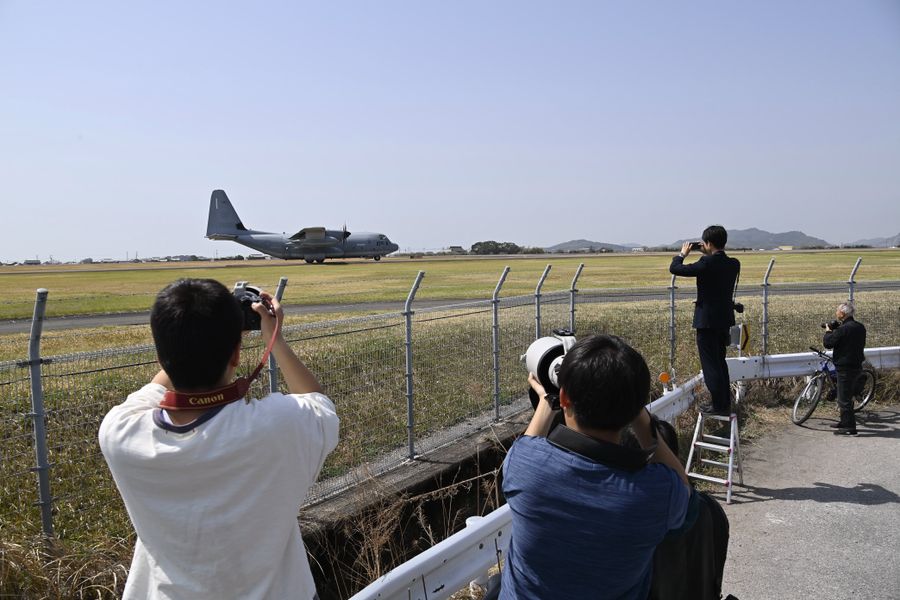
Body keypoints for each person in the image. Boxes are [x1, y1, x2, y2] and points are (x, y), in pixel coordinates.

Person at [99, 279, 339, 600]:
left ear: (160, 357)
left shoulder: (119, 432)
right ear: (237, 354)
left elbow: (158, 386)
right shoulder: (278, 427)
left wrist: (194, 332)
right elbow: (317, 402)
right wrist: (273, 338)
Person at [500, 335, 691, 600]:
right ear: (637, 406)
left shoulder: (527, 467)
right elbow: (685, 488)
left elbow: (528, 443)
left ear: (564, 397)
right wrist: (639, 416)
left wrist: (547, 400)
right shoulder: (659, 493)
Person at [669, 225, 741, 416]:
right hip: (724, 320)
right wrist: (708, 253)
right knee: (720, 362)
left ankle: (718, 406)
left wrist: (682, 254)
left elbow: (675, 268)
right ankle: (724, 402)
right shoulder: (734, 263)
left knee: (710, 366)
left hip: (706, 322)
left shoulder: (705, 263)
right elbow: (717, 283)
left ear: (707, 243)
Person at [823, 301, 867, 435]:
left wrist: (828, 331)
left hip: (845, 366)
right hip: (857, 364)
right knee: (846, 394)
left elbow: (828, 343)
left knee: (844, 398)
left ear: (842, 313)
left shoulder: (843, 329)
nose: (836, 313)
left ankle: (849, 428)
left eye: (837, 311)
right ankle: (844, 421)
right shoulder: (860, 327)